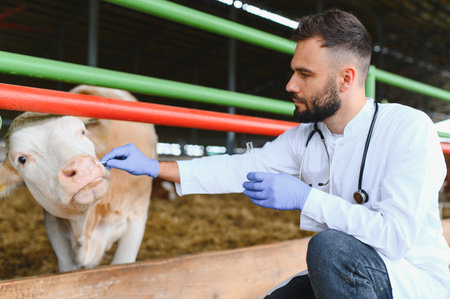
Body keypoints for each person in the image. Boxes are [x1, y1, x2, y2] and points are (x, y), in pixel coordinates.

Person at [100, 9, 450, 299]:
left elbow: (394, 236)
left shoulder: (408, 129)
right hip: (347, 273)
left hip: (411, 280)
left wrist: (307, 198)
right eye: (293, 71)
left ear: (346, 78)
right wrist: (154, 167)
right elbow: (242, 166)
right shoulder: (308, 136)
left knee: (328, 249)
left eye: (305, 74)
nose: (290, 85)